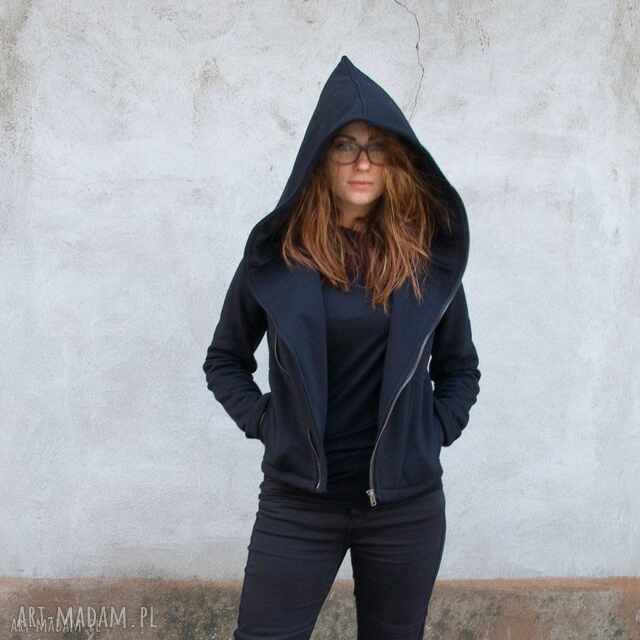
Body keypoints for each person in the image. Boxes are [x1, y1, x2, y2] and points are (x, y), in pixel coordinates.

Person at [203, 55, 481, 640]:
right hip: (299, 503)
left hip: (404, 508)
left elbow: (460, 368)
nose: (362, 162)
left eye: (377, 148)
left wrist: (433, 431)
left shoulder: (426, 262)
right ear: (319, 158)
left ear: (396, 161)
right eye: (345, 146)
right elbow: (225, 360)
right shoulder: (276, 258)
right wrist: (266, 421)